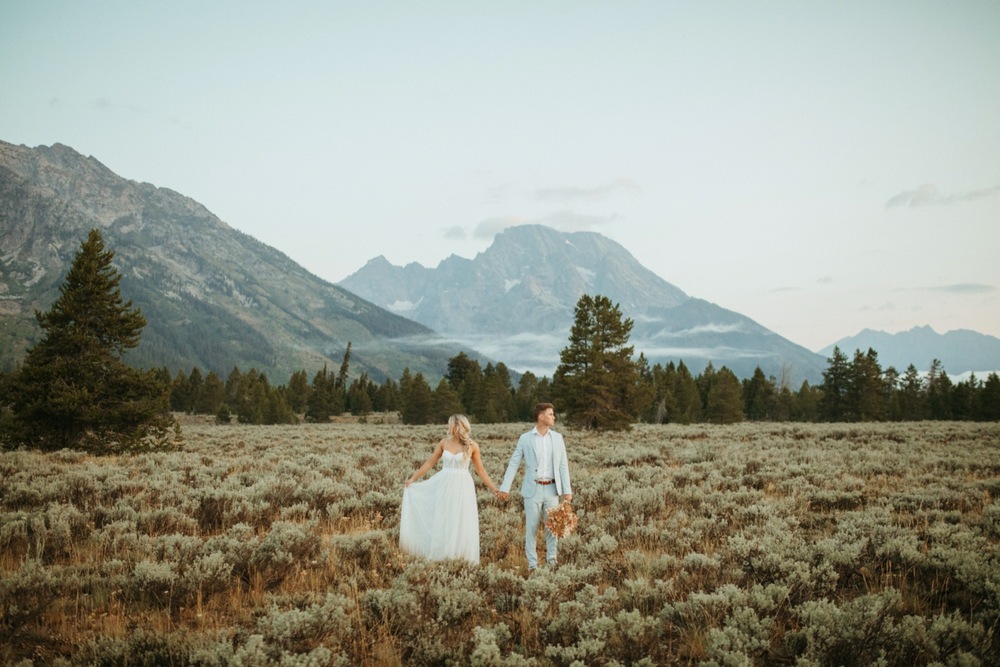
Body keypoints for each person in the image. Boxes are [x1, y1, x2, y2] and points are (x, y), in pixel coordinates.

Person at [399, 414, 502, 564]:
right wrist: (413, 478)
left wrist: (494, 489)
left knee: (461, 519)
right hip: (445, 484)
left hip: (463, 486)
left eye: (449, 424)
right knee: (444, 518)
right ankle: (442, 556)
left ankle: (461, 558)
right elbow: (429, 463)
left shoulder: (472, 446)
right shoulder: (444, 443)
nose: (447, 427)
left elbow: (481, 471)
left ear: (457, 426)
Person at [498, 403, 572, 571]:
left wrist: (567, 491)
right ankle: (532, 565)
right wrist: (504, 488)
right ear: (541, 417)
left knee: (553, 528)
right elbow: (514, 463)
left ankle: (552, 562)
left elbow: (563, 466)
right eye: (551, 414)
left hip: (552, 490)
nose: (554, 417)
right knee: (531, 528)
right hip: (533, 490)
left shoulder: (558, 438)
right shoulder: (525, 438)